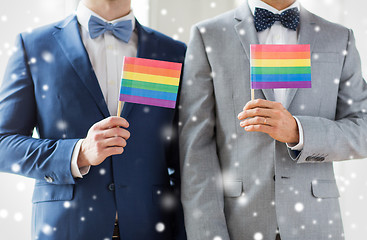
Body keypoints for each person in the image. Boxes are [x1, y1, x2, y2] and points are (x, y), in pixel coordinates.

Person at [179, 0, 367, 239]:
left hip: (316, 224)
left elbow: (363, 129)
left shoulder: (339, 37)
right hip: (237, 224)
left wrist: (299, 132)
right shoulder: (209, 35)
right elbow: (195, 150)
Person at [0, 0, 187, 239]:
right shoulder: (34, 46)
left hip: (152, 229)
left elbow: (185, 158)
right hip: (67, 229)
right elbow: (4, 144)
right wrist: (77, 153)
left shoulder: (170, 52)